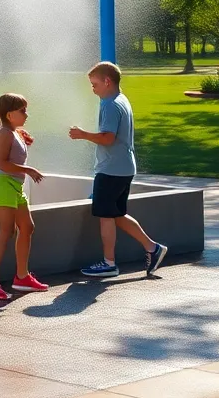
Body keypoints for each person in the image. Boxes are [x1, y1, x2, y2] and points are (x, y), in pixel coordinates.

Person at [68, 62, 168, 278]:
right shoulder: (122, 100)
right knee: (116, 214)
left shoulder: (110, 105)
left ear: (107, 81)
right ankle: (153, 248)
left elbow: (108, 138)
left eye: (95, 84)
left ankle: (109, 263)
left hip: (111, 169)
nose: (92, 88)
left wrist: (82, 134)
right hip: (124, 167)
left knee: (106, 215)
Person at [0, 93, 46, 300]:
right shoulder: (5, 134)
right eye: (22, 111)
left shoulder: (14, 131)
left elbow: (13, 153)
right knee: (7, 231)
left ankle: (22, 277)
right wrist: (29, 170)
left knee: (27, 227)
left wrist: (23, 139)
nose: (27, 114)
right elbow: (3, 164)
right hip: (3, 185)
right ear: (10, 114)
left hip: (14, 186)